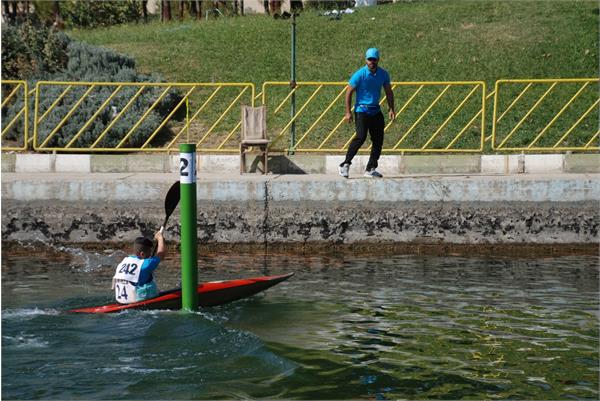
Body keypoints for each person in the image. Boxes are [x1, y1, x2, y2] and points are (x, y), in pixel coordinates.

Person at [339, 47, 395, 178]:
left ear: (378, 60)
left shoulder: (383, 74)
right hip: (362, 110)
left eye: (374, 59)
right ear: (366, 60)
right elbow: (348, 93)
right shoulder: (359, 74)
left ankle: (370, 168)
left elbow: (388, 91)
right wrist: (348, 112)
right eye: (369, 59)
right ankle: (345, 164)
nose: (372, 62)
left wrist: (391, 108)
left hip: (375, 110)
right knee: (361, 136)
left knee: (378, 140)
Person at [112, 231, 166, 304]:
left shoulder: (123, 262)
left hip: (122, 301)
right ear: (142, 254)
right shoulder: (146, 264)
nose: (150, 257)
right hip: (141, 300)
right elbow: (161, 254)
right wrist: (160, 238)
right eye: (149, 254)